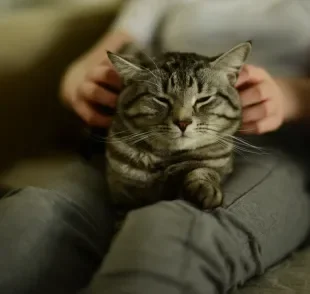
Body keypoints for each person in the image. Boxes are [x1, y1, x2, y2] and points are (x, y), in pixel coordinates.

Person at [1, 1, 310, 293]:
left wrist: (293, 97)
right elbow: (88, 65)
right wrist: (81, 84)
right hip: (143, 129)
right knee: (35, 213)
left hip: (265, 140)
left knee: (172, 232)